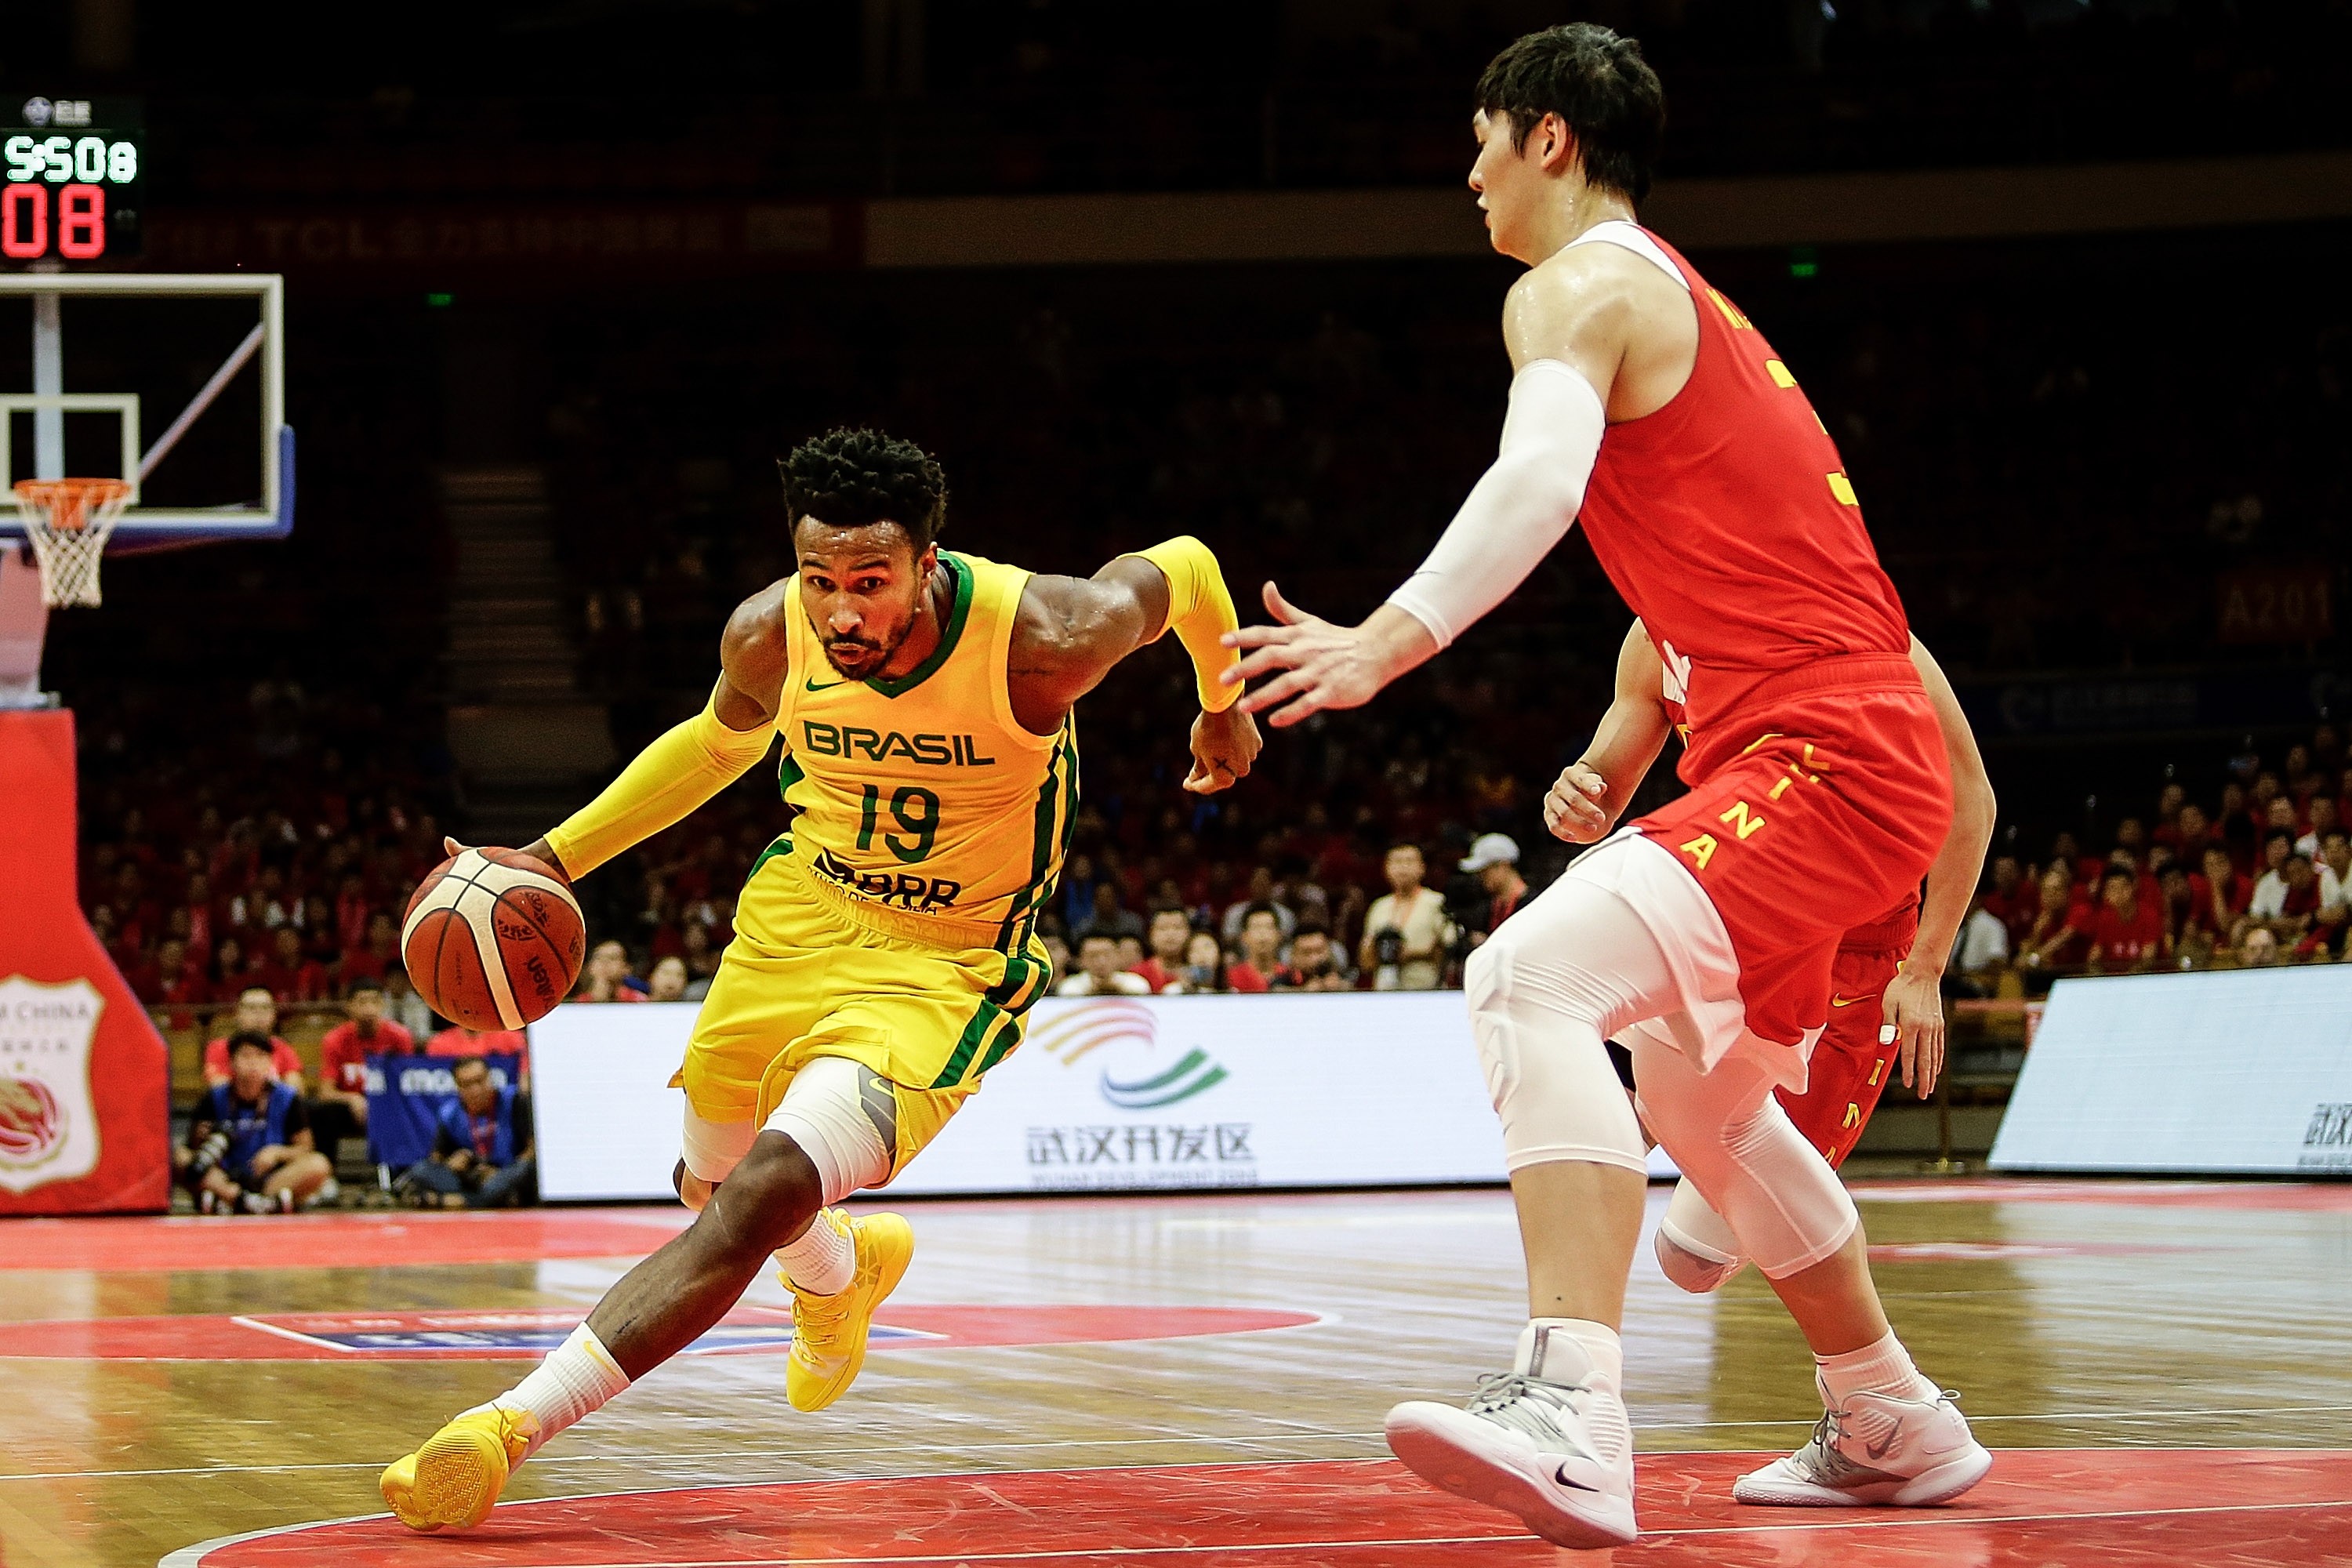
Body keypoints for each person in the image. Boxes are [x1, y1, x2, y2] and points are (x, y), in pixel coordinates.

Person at [1222, 24, 1986, 1544]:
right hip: (1827, 751)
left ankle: (1572, 1405)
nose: (1471, 172)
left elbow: (1536, 479)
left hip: (1830, 749)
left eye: (1483, 140)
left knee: (1526, 975)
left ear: (1551, 139)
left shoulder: (1581, 283)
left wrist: (1388, 638)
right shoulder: (1673, 298)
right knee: (1702, 1106)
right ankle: (1891, 1412)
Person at [382, 426, 1258, 1530]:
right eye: (819, 579)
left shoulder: (1045, 634)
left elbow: (1185, 566)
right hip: (799, 918)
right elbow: (712, 747)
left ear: (927, 567)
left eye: (870, 583)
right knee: (707, 1184)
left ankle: (504, 1429)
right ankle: (839, 1279)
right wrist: (552, 858)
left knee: (760, 1192)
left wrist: (1221, 701)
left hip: (947, 962)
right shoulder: (769, 634)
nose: (841, 611)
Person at [1541, 616, 1996, 1290]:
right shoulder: (1656, 634)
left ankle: (1876, 1379)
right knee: (1582, 1151)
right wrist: (1577, 800)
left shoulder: (1855, 624)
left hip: (1859, 951)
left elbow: (1971, 800)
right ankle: (1566, 1357)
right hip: (1739, 932)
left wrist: (1926, 966)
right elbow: (1602, 785)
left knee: (1694, 1260)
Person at [174, 1033, 333, 1214]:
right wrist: (202, 1137)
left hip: (270, 1178)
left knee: (319, 1164)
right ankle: (242, 1199)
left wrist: (278, 1153)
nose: (253, 1063)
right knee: (181, 1157)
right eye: (245, 1056)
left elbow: (305, 1148)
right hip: (225, 1175)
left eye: (260, 1056)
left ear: (269, 1063)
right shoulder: (214, 1097)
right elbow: (193, 1151)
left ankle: (241, 1201)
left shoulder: (287, 1098)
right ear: (232, 1063)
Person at [398, 1056, 538, 1210]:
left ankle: (454, 1201)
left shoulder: (514, 1100)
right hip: (473, 1178)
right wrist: (452, 1164)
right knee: (422, 1169)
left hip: (507, 1172)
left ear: (490, 1078)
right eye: (467, 1085)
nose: (476, 1090)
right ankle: (489, 1200)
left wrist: (499, 1173)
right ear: (457, 1087)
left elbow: (532, 1150)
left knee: (526, 1168)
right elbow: (437, 1158)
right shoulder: (449, 1113)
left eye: (480, 1081)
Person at [315, 978, 416, 1167]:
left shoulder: (400, 1036)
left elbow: (408, 1086)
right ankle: (327, 1171)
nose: (369, 1009)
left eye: (375, 1001)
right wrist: (353, 1099)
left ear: (383, 1004)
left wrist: (377, 1103)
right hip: (351, 1109)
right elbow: (325, 1092)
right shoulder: (334, 1040)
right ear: (349, 1006)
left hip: (389, 1103)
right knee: (324, 1112)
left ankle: (403, 1171)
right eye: (362, 1002)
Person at [1359, 844, 1452, 990]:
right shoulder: (1379, 907)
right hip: (1385, 990)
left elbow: (1449, 948)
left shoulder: (1436, 902)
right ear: (1386, 868)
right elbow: (1365, 960)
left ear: (1422, 868)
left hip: (1427, 989)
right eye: (1396, 862)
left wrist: (1412, 955)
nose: (1403, 868)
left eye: (1409, 861)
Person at [200, 985, 305, 1093]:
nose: (259, 1014)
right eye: (252, 1008)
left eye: (265, 1008)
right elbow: (217, 1089)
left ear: (274, 1014)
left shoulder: (282, 1047)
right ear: (238, 1013)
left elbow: (296, 1090)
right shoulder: (219, 1047)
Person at [2086, 865, 2168, 973]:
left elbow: (2148, 959)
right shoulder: (2105, 917)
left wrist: (2127, 979)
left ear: (2132, 887)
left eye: (2123, 887)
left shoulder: (2149, 915)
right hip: (2114, 980)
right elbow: (2094, 956)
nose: (2118, 893)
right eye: (2112, 888)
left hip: (2148, 978)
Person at [1459, 832, 1529, 947]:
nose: (1481, 878)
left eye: (1484, 871)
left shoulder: (1532, 904)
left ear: (1503, 865)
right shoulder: (1489, 910)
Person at [1225, 902, 1298, 992]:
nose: (1263, 934)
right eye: (1256, 927)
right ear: (1244, 936)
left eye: (1269, 927)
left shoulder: (1293, 977)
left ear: (1279, 935)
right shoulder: (1230, 978)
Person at [1055, 931, 1152, 996]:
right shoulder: (1070, 985)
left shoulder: (1135, 982)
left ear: (1118, 956)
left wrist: (1115, 988)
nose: (1101, 961)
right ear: (1082, 959)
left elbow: (1140, 991)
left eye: (1107, 955)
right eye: (1093, 956)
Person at [1131, 902, 1193, 993]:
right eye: (1163, 928)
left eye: (1177, 927)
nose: (1170, 934)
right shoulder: (1138, 974)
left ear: (1189, 933)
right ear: (1151, 934)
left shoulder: (1198, 972)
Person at [1279, 921, 1350, 991]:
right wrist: (1303, 991)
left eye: (1320, 951)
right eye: (1306, 953)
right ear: (1293, 956)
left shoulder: (1346, 975)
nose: (1314, 959)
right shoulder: (1282, 980)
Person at [574, 939, 648, 1002]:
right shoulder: (579, 1003)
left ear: (626, 968)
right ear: (590, 967)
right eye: (598, 958)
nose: (605, 962)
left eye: (612, 958)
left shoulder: (638, 1001)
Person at [1176, 927, 1227, 993]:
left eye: (1207, 947)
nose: (1201, 953)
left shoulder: (1233, 993)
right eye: (1194, 949)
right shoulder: (1175, 991)